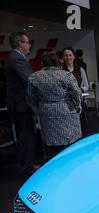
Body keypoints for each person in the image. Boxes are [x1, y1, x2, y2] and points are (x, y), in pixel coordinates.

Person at [26, 51, 82, 159]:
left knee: (51, 147)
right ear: (57, 62)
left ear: (42, 63)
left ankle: (54, 170)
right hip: (67, 111)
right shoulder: (66, 75)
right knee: (70, 144)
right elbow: (76, 93)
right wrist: (78, 104)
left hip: (46, 113)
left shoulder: (34, 77)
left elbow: (31, 98)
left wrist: (38, 110)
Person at [5, 31, 36, 177]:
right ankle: (27, 168)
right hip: (21, 105)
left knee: (26, 136)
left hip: (19, 104)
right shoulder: (17, 59)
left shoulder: (15, 57)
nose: (30, 45)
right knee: (26, 137)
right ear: (20, 44)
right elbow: (29, 79)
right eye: (28, 42)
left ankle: (28, 165)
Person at [62, 47, 89, 126]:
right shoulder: (60, 71)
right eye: (66, 55)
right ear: (63, 57)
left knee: (80, 126)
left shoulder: (80, 70)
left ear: (74, 56)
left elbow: (86, 85)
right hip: (65, 104)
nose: (68, 57)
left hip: (79, 102)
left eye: (70, 55)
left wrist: (77, 90)